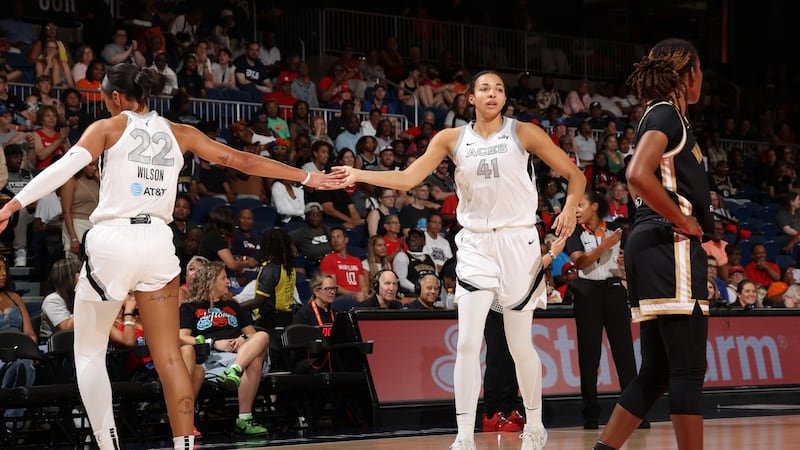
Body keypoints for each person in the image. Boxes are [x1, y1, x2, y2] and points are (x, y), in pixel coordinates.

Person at [0, 62, 339, 450]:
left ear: (114, 97)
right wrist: (308, 177)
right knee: (172, 357)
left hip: (116, 237)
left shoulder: (108, 127)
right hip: (159, 243)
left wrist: (13, 205)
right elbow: (243, 161)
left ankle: (108, 446)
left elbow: (64, 167)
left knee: (89, 353)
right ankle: (184, 445)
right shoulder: (181, 132)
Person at [332, 70, 586, 450]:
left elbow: (574, 175)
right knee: (468, 342)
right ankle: (464, 435)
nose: (493, 94)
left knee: (519, 344)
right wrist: (357, 172)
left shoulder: (524, 132)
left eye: (499, 89)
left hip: (519, 242)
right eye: (485, 88)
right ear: (470, 97)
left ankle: (535, 423)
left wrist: (568, 208)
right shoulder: (451, 138)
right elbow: (406, 178)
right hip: (475, 245)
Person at [595, 38, 711, 450]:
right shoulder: (666, 116)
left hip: (651, 246)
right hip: (669, 244)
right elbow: (637, 174)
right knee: (687, 371)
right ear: (690, 74)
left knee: (658, 372)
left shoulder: (660, 117)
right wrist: (684, 220)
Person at [566, 189, 637, 430]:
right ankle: (590, 416)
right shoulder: (574, 232)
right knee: (589, 356)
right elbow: (580, 262)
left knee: (625, 355)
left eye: (580, 205)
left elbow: (629, 261)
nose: (576, 210)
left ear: (595, 206)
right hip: (587, 292)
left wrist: (624, 263)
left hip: (615, 290)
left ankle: (634, 413)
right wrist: (605, 246)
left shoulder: (617, 229)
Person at [179, 261, 270, 435]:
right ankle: (244, 418)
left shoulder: (233, 305)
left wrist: (243, 339)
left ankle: (235, 370)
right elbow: (182, 338)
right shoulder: (190, 307)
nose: (228, 282)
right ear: (211, 281)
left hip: (239, 355)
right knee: (255, 360)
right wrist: (212, 343)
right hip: (212, 356)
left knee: (262, 336)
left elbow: (251, 334)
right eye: (224, 278)